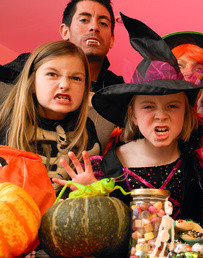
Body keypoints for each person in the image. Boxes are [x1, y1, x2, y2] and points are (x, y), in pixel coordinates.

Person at [54, 15, 203, 231]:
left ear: (186, 113)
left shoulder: (200, 161)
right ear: (132, 114)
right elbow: (80, 231)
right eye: (149, 106)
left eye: (172, 106)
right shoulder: (101, 168)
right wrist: (90, 195)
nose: (161, 115)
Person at [4, 0, 124, 152]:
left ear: (112, 39)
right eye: (84, 20)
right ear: (65, 31)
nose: (94, 27)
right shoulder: (32, 64)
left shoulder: (119, 90)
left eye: (103, 23)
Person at [0, 40, 100, 193]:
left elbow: (95, 187)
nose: (64, 85)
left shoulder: (87, 131)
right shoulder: (7, 122)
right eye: (52, 74)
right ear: (32, 83)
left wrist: (89, 189)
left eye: (76, 78)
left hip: (66, 212)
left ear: (85, 89)